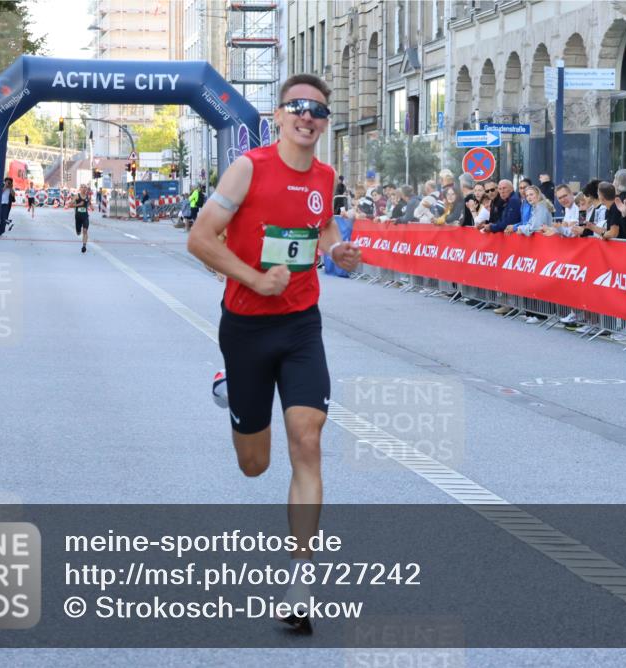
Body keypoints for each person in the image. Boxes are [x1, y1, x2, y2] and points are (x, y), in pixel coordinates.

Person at [186, 74, 360, 633]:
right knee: (254, 465)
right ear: (279, 116)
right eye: (299, 108)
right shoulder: (249, 169)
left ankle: (300, 581)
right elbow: (200, 238)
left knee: (307, 439)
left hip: (301, 325)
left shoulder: (327, 175)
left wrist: (339, 249)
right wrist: (254, 279)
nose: (309, 118)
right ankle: (234, 387)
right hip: (245, 326)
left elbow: (323, 223)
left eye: (319, 112)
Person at [74, 184, 92, 253]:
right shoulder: (76, 196)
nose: (84, 189)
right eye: (82, 187)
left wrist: (91, 206)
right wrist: (78, 205)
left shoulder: (87, 197)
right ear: (80, 189)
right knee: (78, 232)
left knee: (85, 231)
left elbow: (89, 203)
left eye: (85, 187)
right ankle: (78, 231)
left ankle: (84, 246)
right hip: (78, 217)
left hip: (85, 216)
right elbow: (70, 205)